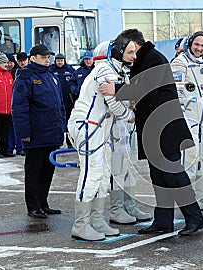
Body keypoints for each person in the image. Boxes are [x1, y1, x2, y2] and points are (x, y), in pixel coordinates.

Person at [104, 28, 203, 236]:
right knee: (159, 176)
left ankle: (194, 217)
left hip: (165, 127)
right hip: (153, 128)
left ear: (135, 44)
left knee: (174, 175)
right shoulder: (143, 59)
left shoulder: (154, 58)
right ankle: (163, 220)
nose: (124, 52)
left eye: (126, 47)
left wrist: (117, 90)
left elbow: (149, 88)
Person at [67, 37, 135, 241]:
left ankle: (97, 220)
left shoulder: (116, 71)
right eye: (130, 52)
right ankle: (81, 224)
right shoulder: (105, 70)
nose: (134, 56)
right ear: (115, 52)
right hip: (88, 127)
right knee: (92, 174)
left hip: (100, 129)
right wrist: (130, 115)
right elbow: (114, 103)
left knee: (104, 175)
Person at [11, 44, 66, 219]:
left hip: (51, 133)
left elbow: (60, 105)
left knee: (48, 170)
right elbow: (19, 107)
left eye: (48, 57)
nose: (47, 60)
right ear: (32, 58)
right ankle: (33, 206)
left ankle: (43, 203)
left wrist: (62, 128)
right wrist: (24, 133)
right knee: (34, 171)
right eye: (43, 57)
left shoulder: (50, 76)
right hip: (35, 134)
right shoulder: (26, 77)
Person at [170, 31, 203, 210]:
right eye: (196, 45)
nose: (199, 48)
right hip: (188, 114)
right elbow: (176, 89)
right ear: (190, 44)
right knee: (190, 158)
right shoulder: (180, 62)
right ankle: (189, 199)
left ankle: (201, 196)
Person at [49, 53, 75, 148]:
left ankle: (70, 142)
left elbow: (74, 81)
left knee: (69, 123)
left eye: (61, 60)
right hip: (56, 101)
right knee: (57, 123)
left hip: (68, 101)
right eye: (58, 61)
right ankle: (58, 142)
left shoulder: (70, 70)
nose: (59, 62)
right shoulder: (51, 70)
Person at [5, 53, 24, 156]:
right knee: (9, 128)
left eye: (11, 62)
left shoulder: (18, 72)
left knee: (18, 127)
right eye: (7, 62)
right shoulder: (6, 73)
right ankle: (9, 147)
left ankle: (19, 147)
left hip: (17, 104)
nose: (9, 64)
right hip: (7, 105)